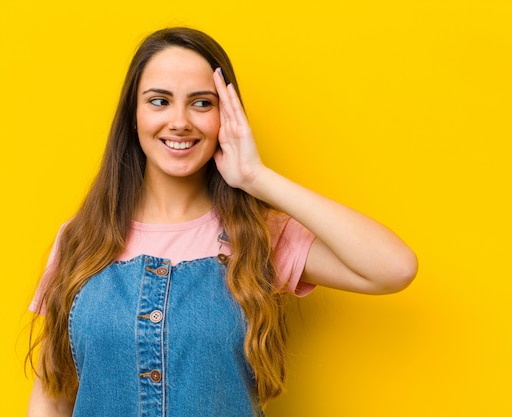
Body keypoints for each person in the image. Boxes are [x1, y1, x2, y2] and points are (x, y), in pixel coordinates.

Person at [26, 27, 417, 417]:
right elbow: (52, 393)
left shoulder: (260, 237)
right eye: (159, 101)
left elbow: (394, 268)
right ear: (133, 115)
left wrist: (256, 177)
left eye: (201, 103)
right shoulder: (81, 239)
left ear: (226, 118)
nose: (179, 121)